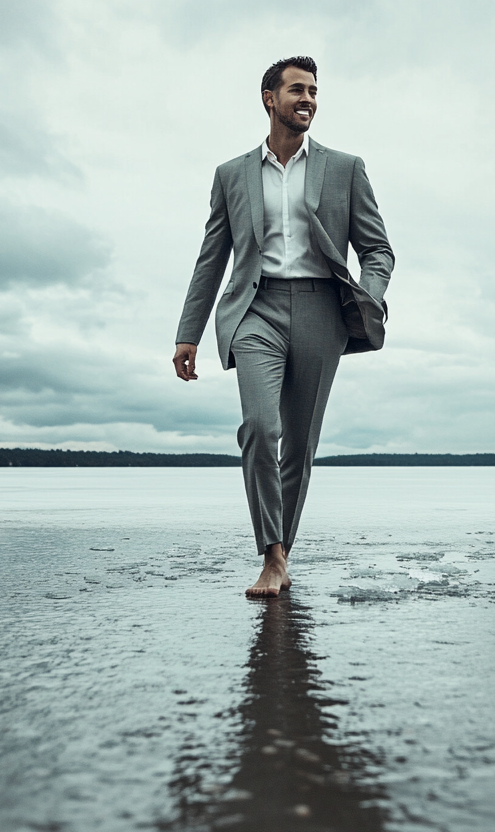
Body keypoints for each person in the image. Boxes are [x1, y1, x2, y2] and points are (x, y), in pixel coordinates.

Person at [173, 56, 394, 597]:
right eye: (297, 90)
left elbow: (377, 249)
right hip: (257, 310)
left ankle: (282, 554)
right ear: (269, 98)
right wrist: (189, 332)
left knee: (298, 445)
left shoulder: (345, 168)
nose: (309, 99)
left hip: (322, 309)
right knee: (259, 428)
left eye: (315, 91)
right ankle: (271, 556)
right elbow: (212, 258)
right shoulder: (232, 174)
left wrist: (368, 296)